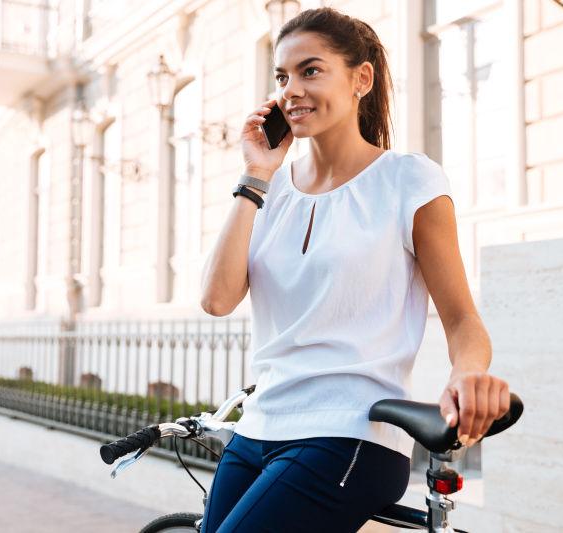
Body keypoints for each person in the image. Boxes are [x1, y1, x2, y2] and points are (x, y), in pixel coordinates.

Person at [198, 7, 510, 532]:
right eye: (282, 76)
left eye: (310, 70)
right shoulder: (268, 190)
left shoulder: (408, 179)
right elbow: (216, 299)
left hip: (352, 432)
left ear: (361, 78)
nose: (290, 90)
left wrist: (468, 375)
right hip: (261, 425)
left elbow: (461, 319)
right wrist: (255, 173)